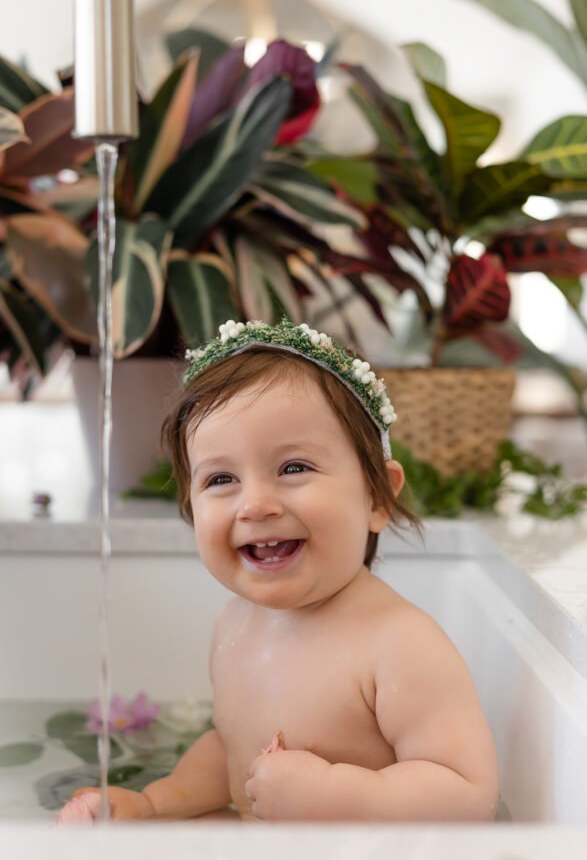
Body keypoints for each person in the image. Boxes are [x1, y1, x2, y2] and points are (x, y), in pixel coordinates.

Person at [58, 317, 499, 823]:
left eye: (293, 468)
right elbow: (231, 749)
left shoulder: (400, 644)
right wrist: (155, 803)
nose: (255, 505)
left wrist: (335, 795)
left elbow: (471, 796)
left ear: (377, 497)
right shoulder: (233, 625)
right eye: (221, 479)